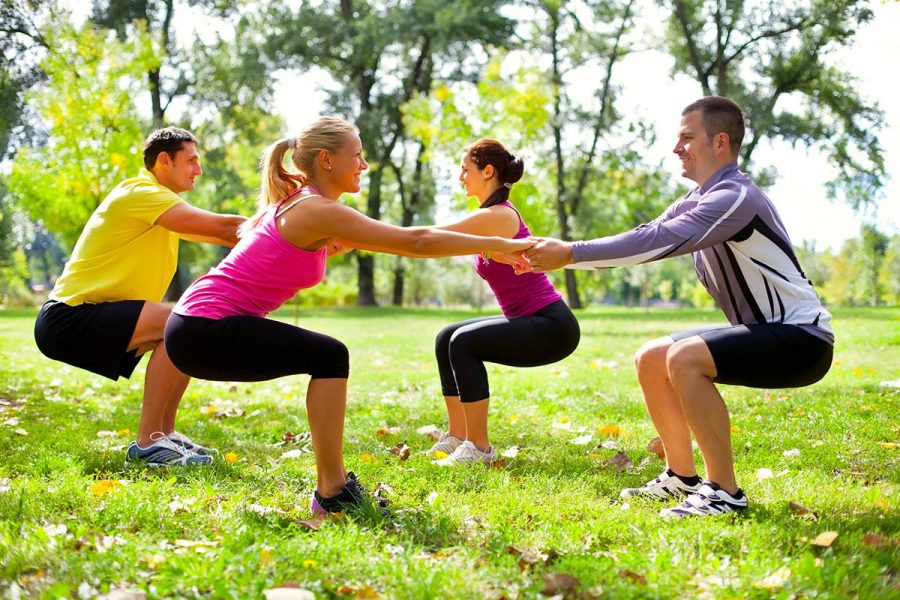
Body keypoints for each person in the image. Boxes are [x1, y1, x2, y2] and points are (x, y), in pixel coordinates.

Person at [163, 117, 534, 514]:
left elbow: (355, 242)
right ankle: (333, 492)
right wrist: (502, 243)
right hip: (205, 328)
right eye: (356, 155)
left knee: (326, 355)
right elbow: (417, 241)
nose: (364, 165)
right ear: (326, 160)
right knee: (329, 356)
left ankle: (333, 488)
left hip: (193, 325)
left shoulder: (304, 205)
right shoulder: (315, 209)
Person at [523, 96, 834, 517]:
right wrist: (544, 248)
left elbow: (656, 244)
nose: (676, 148)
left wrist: (571, 253)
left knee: (685, 358)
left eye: (687, 138)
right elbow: (649, 230)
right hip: (768, 335)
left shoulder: (735, 198)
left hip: (803, 340)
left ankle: (724, 491)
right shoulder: (701, 197)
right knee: (651, 358)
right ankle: (681, 476)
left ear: (720, 142)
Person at [33, 127, 245, 467]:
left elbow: (227, 236)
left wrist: (303, 244)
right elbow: (224, 228)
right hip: (69, 317)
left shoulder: (159, 208)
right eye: (191, 161)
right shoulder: (140, 192)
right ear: (164, 160)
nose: (198, 170)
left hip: (89, 314)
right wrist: (290, 225)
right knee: (182, 321)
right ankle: (149, 443)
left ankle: (165, 435)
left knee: (187, 325)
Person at [419, 140, 580, 466]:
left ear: (487, 171)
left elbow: (431, 236)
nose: (461, 176)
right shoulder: (489, 216)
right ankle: (459, 435)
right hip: (534, 321)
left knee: (463, 343)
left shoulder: (499, 215)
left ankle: (479, 448)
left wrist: (366, 235)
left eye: (466, 169)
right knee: (446, 337)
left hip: (552, 326)